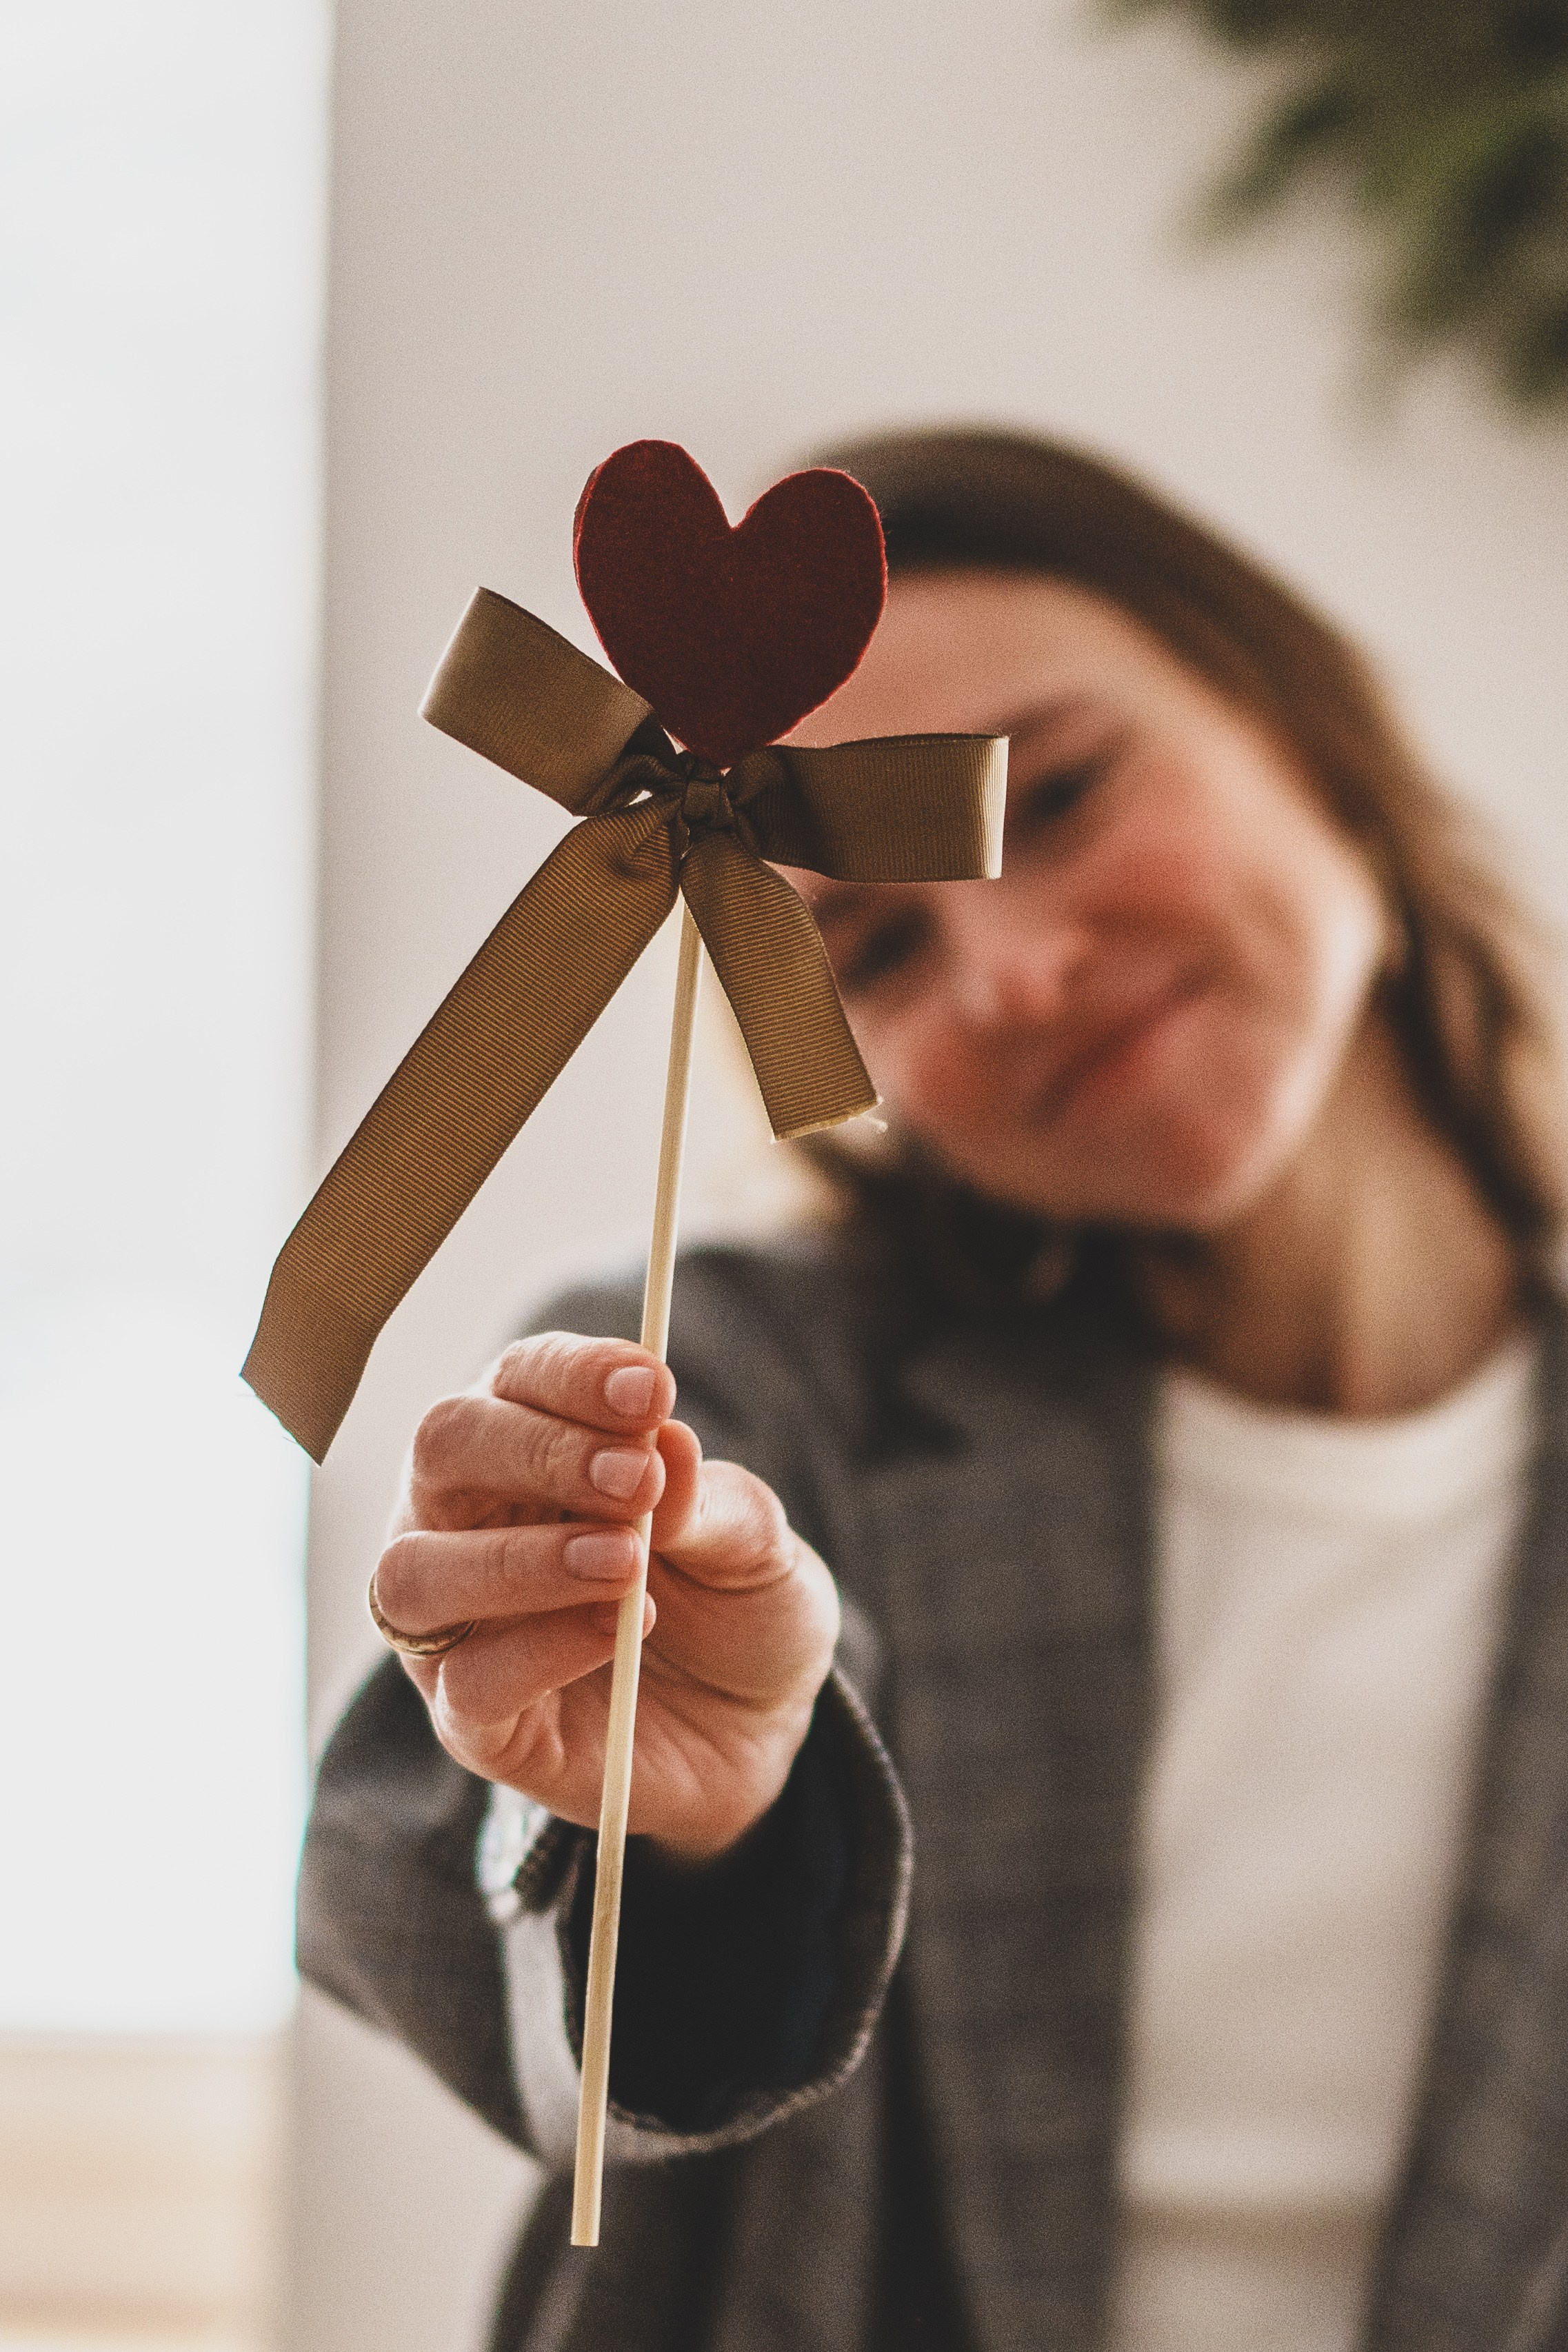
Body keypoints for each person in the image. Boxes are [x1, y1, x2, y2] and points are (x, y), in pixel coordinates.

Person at [299, 430, 1568, 2352]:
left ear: (1299, 725)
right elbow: (458, 1933)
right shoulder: (744, 1395)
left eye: (1049, 797)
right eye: (882, 943)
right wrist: (703, 1830)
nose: (1022, 969)